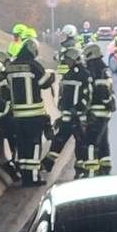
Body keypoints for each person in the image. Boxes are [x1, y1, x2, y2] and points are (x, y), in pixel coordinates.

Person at [5, 39, 55, 187]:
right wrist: (51, 77)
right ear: (33, 50)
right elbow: (44, 83)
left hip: (17, 116)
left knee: (22, 147)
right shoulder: (33, 65)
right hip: (33, 115)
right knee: (34, 146)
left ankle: (24, 177)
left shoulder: (11, 66)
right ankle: (33, 178)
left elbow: (5, 86)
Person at [43, 47, 92, 179]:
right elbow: (64, 94)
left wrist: (79, 108)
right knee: (59, 140)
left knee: (80, 143)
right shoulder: (68, 73)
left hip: (78, 117)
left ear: (74, 59)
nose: (65, 62)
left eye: (67, 60)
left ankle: (80, 169)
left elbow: (88, 95)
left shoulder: (84, 74)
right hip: (67, 116)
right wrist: (62, 109)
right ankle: (48, 164)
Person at [82, 43, 116, 176]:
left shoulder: (95, 69)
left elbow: (102, 90)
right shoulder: (104, 68)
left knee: (91, 141)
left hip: (96, 111)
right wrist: (109, 104)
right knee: (103, 141)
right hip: (104, 112)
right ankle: (105, 167)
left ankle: (91, 170)